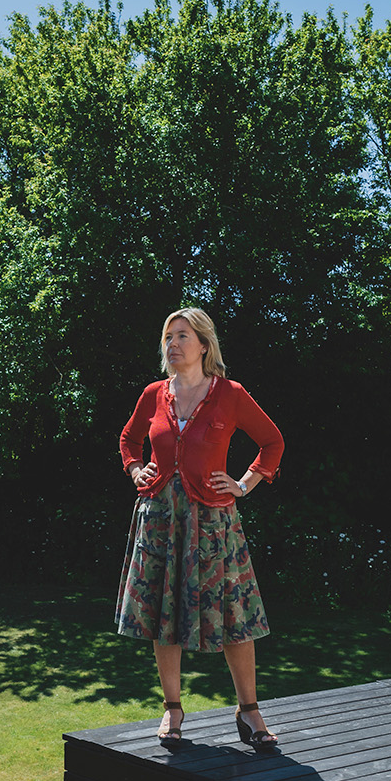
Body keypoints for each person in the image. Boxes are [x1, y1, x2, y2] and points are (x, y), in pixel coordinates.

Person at [116, 307, 284, 750]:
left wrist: (244, 484)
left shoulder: (230, 394)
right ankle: (172, 708)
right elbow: (128, 439)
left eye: (182, 336)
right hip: (159, 521)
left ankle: (249, 711)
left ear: (204, 346)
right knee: (161, 616)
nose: (172, 344)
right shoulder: (154, 394)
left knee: (236, 618)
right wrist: (135, 470)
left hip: (213, 523)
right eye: (168, 337)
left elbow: (272, 441)